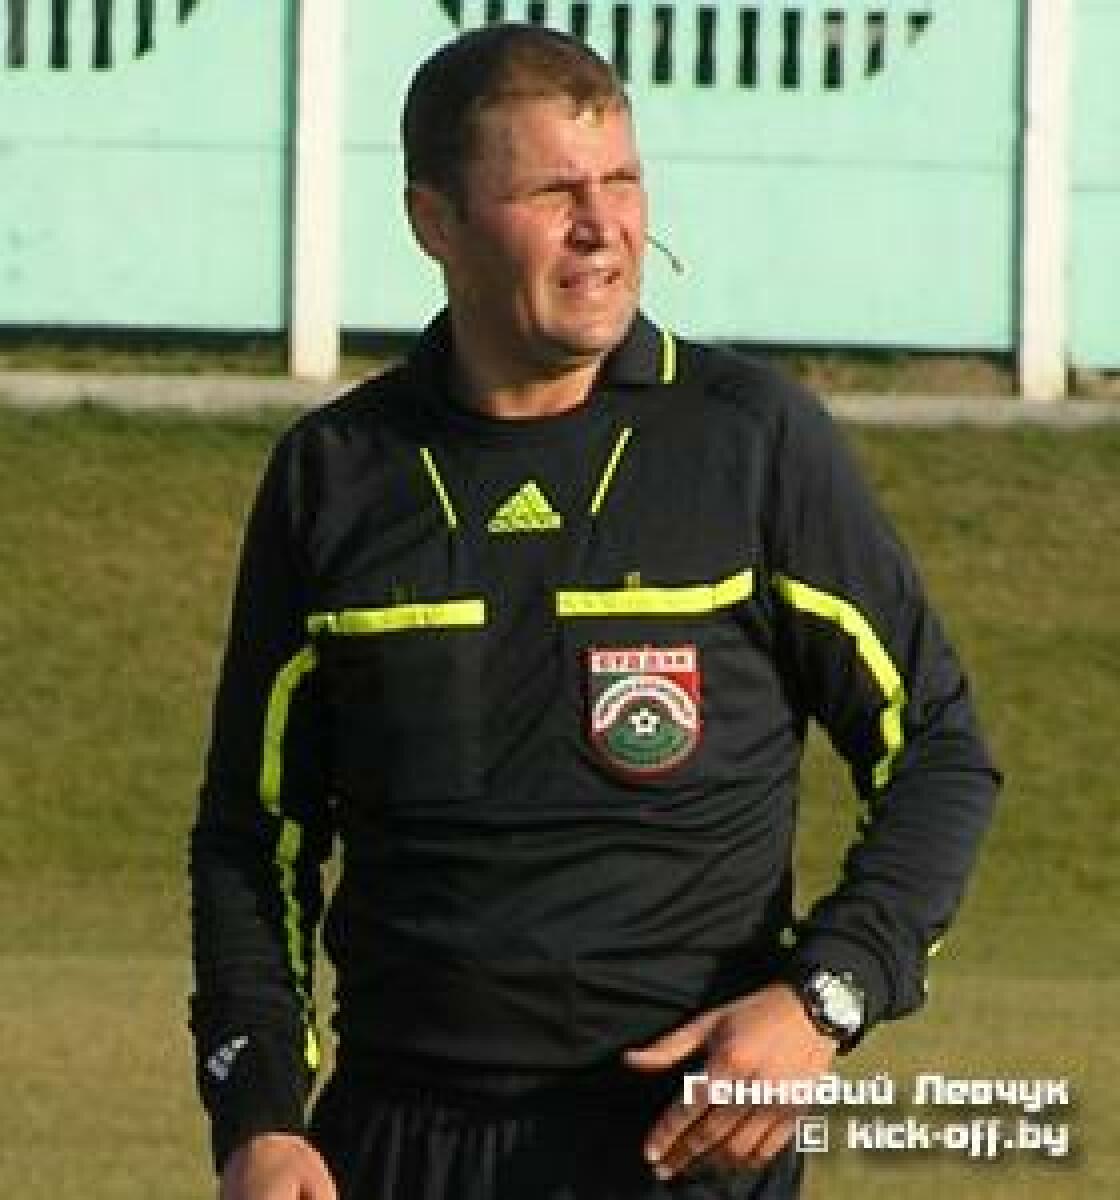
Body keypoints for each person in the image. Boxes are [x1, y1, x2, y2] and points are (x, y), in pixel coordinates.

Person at [189, 23, 999, 1200]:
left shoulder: (749, 441)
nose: (602, 225)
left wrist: (823, 998)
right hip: (398, 1144)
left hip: (680, 1144)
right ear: (434, 221)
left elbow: (936, 749)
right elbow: (252, 836)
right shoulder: (336, 474)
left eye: (620, 180)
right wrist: (260, 1118)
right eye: (551, 191)